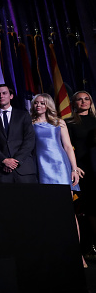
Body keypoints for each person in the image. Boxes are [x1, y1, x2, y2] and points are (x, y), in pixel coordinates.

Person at [31, 93, 87, 267]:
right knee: (48, 213)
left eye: (42, 103)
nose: (38, 105)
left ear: (48, 105)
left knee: (68, 213)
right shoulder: (30, 124)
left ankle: (79, 255)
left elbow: (68, 146)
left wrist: (74, 168)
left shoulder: (59, 122)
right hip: (41, 169)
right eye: (36, 103)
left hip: (60, 169)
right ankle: (57, 254)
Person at [0, 84, 37, 183]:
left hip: (24, 169)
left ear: (11, 96)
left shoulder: (23, 115)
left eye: (4, 93)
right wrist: (4, 160)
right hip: (2, 171)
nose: (1, 96)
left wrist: (15, 161)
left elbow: (29, 140)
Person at [66, 91, 96, 261]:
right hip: (82, 170)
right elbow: (66, 148)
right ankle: (86, 246)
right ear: (74, 103)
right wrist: (74, 167)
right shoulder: (68, 123)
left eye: (87, 99)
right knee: (86, 208)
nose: (83, 102)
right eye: (80, 99)